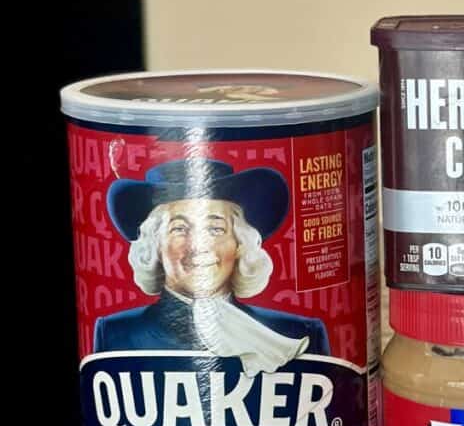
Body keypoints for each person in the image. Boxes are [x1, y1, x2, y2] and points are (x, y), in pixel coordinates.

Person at [94, 159, 330, 374]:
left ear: (239, 244)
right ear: (155, 246)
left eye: (215, 229)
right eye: (179, 229)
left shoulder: (298, 334)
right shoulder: (116, 334)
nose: (198, 246)